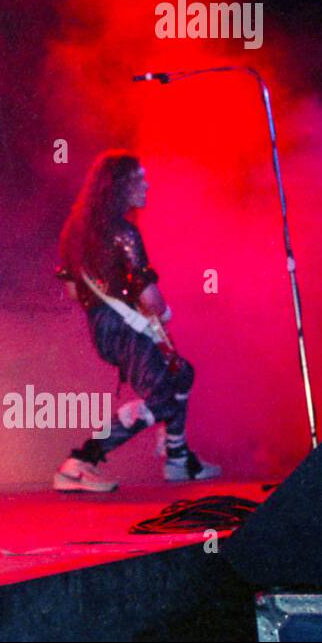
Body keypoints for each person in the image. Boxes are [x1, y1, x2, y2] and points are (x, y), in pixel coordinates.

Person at [53, 151, 221, 491]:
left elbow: (73, 290)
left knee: (180, 373)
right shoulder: (124, 233)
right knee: (159, 398)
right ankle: (79, 463)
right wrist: (161, 312)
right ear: (119, 187)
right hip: (127, 327)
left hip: (105, 328)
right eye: (138, 179)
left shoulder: (76, 231)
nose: (146, 184)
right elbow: (151, 300)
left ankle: (178, 458)